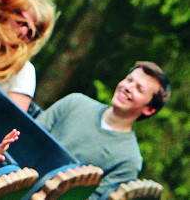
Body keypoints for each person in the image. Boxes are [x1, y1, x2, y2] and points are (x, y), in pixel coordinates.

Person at [36, 61, 171, 199]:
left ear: (149, 109)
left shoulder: (128, 159)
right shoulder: (74, 102)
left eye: (139, 89)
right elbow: (28, 136)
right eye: (129, 80)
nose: (128, 87)